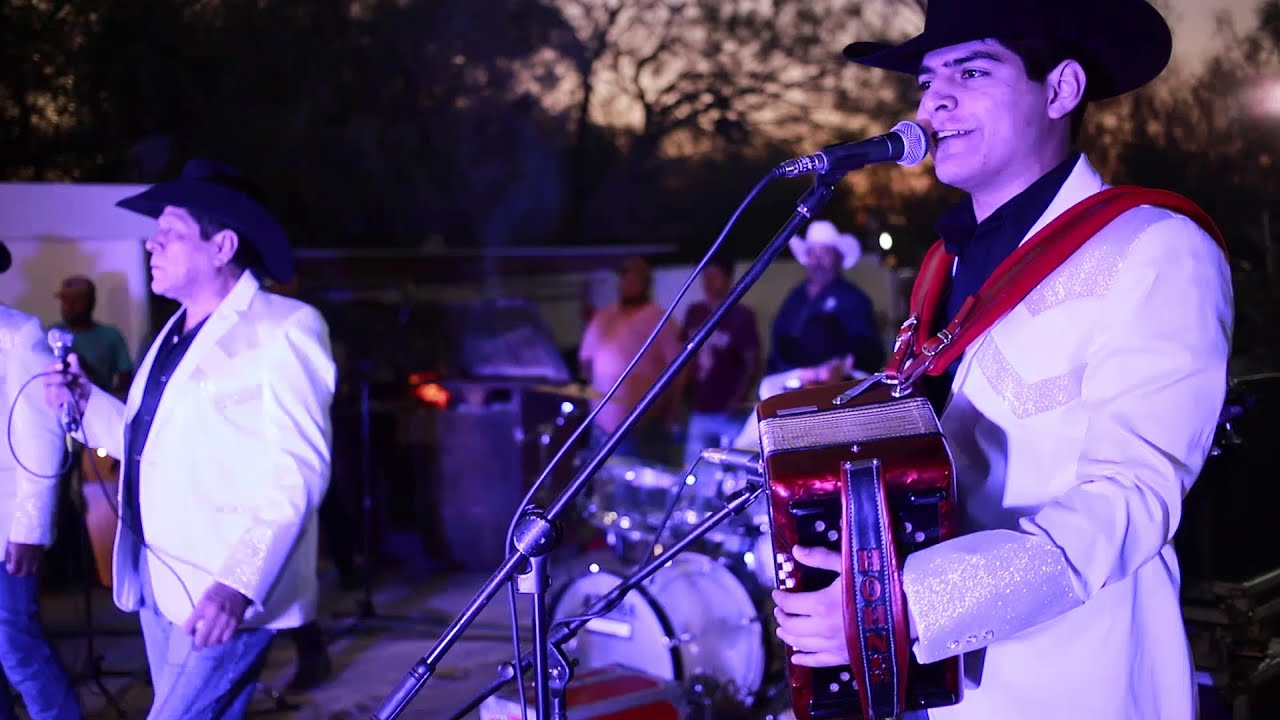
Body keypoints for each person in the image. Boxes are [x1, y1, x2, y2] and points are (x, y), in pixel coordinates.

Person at [770, 2, 1233, 719]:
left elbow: (1131, 498)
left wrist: (897, 605)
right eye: (927, 81)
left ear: (1061, 89)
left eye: (972, 71)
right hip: (933, 685)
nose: (934, 102)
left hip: (1073, 684)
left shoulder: (1156, 248)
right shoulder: (942, 264)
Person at [44, 159, 336, 718]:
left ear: (222, 246)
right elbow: (146, 444)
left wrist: (237, 583)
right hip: (160, 578)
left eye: (171, 233)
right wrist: (85, 402)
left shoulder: (283, 328)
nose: (151, 243)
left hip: (221, 589)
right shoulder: (170, 335)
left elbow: (299, 471)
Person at [0, 243, 83, 719]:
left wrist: (30, 526)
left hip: (7, 524)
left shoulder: (17, 334)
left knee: (17, 646)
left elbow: (42, 435)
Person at [578, 256, 683, 463]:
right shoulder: (603, 317)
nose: (629, 280)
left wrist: (672, 410)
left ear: (646, 282)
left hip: (642, 427)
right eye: (625, 275)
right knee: (602, 480)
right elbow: (586, 362)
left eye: (636, 275)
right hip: (601, 426)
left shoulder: (659, 318)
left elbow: (678, 370)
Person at [766, 219, 884, 378]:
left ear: (838, 258)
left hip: (838, 379)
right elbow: (779, 337)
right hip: (792, 376)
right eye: (812, 254)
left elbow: (867, 347)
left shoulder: (854, 298)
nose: (818, 261)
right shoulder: (795, 296)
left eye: (825, 253)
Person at [680, 258, 760, 467]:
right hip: (699, 407)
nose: (708, 282)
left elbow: (752, 363)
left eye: (714, 276)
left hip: (728, 411)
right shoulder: (694, 312)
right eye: (705, 276)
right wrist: (679, 400)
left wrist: (738, 398)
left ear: (727, 279)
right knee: (696, 470)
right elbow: (686, 362)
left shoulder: (741, 316)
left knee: (733, 470)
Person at [52, 275, 134, 398]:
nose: (68, 307)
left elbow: (125, 377)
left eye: (75, 301)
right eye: (64, 300)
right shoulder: (52, 335)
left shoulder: (111, 336)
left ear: (91, 302)